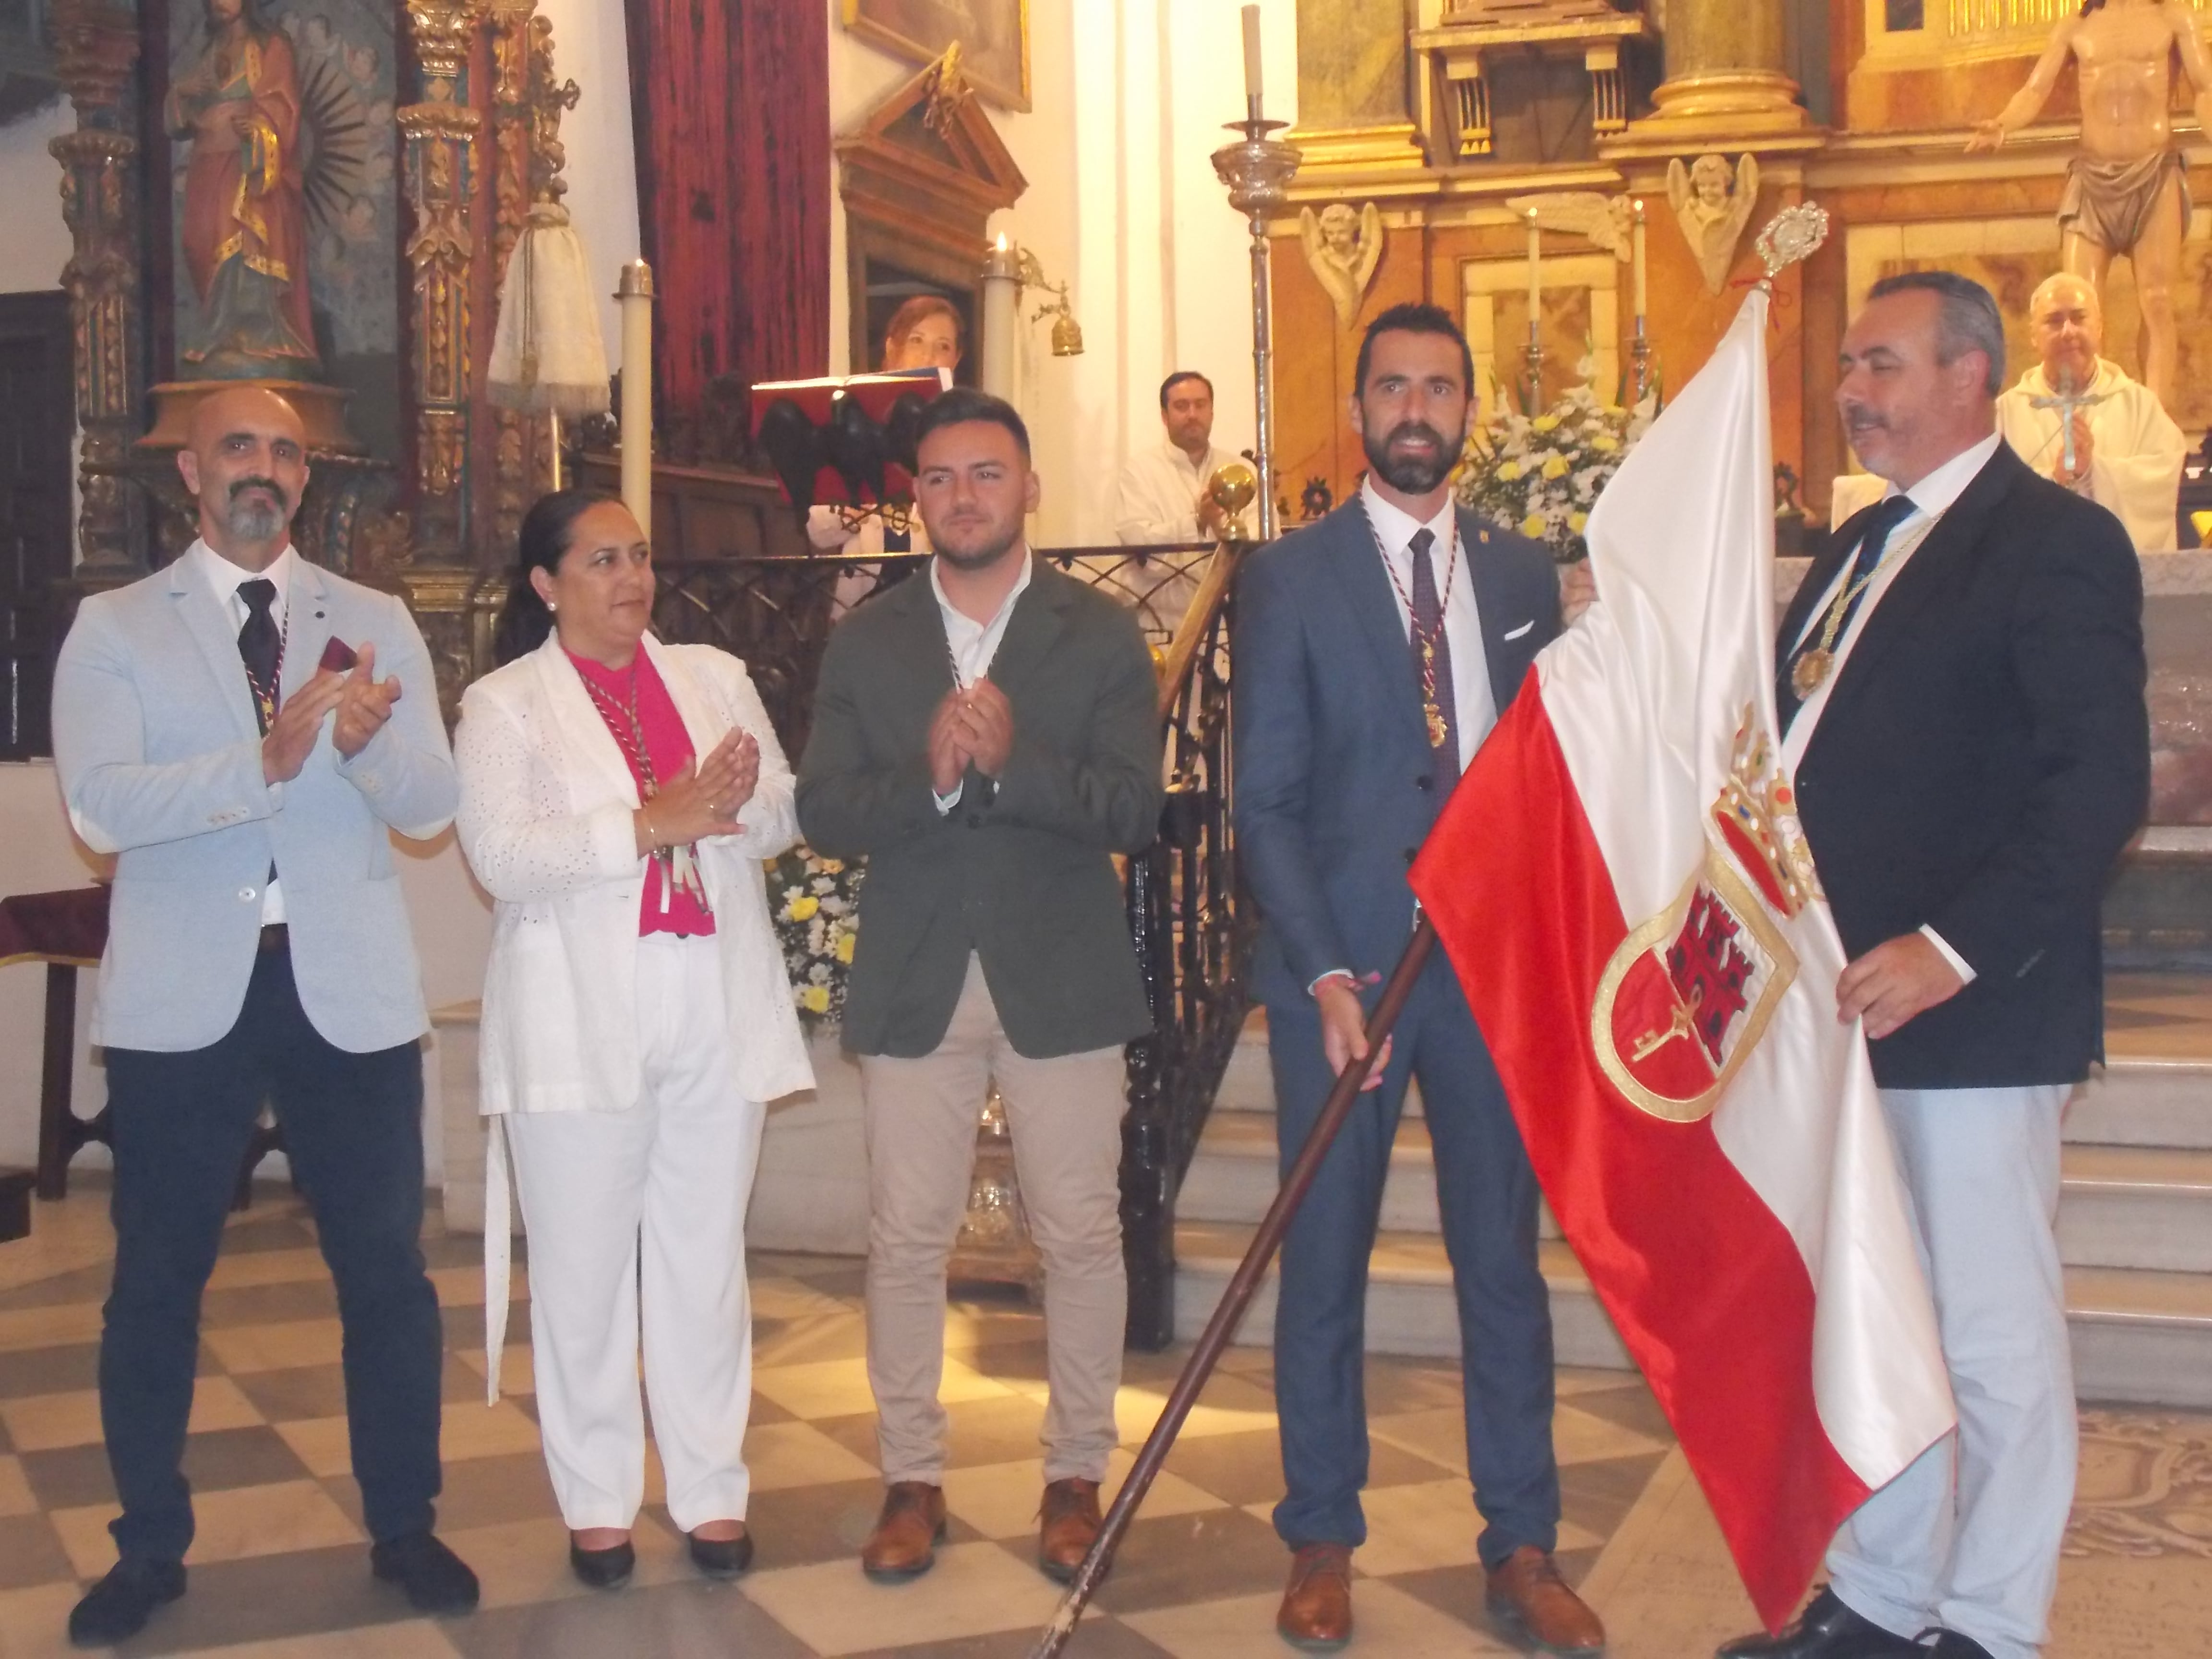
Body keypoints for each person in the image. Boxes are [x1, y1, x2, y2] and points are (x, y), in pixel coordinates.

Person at [1719, 272, 2148, 1659]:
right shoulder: (1855, 547)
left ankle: (1990, 1620)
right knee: (1875, 1324)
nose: (1854, 390)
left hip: (1973, 1012)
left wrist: (1952, 949)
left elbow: (2097, 784)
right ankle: (1885, 1592)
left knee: (1989, 1336)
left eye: (1881, 365)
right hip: (1836, 1012)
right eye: (1850, 367)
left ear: (1972, 374)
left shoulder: (2055, 542)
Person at [49, 385, 475, 1645]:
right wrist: (267, 760)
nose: (266, 469)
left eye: (287, 452)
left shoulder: (375, 618)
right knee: (156, 1283)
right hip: (189, 1000)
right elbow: (102, 813)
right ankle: (147, 1549)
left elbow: (430, 805)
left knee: (388, 1277)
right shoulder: (116, 626)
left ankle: (406, 1524)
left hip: (344, 991)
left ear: (305, 480)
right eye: (241, 445)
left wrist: (359, 739)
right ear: (192, 469)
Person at [1232, 303, 1605, 1656]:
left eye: (1439, 388)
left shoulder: (1517, 575)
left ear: (1466, 413)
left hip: (1487, 974)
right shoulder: (1292, 575)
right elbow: (1262, 799)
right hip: (1339, 972)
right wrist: (1326, 967)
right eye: (1391, 384)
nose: (1415, 407)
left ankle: (1521, 1542)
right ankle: (1321, 1535)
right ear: (1358, 407)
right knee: (1322, 1261)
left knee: (1499, 1263)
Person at [796, 388, 1164, 1587]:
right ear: (917, 497)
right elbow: (825, 811)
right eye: (942, 477)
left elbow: (1132, 808)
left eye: (987, 474)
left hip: (1058, 970)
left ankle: (1074, 1473)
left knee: (1079, 1231)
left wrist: (1017, 764)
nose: (964, 495)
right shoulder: (872, 638)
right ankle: (911, 1477)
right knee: (903, 1237)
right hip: (916, 972)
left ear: (1028, 488)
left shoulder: (1098, 632)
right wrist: (931, 773)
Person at [454, 488, 812, 1590]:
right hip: (576, 1007)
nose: (632, 577)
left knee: (704, 1259)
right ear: (547, 583)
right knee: (584, 1265)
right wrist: (645, 822)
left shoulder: (713, 676)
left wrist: (736, 807)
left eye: (642, 555)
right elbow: (502, 857)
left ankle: (711, 1488)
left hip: (711, 990)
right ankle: (598, 1498)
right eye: (602, 559)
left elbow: (782, 814)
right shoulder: (504, 702)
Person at [1968, 0, 2212, 408]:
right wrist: (2003, 124)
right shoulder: (2074, 26)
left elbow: (2206, 89)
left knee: (2156, 300)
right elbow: (2035, 89)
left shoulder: (2173, 17)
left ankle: (2151, 414)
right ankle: (2084, 417)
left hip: (2153, 172)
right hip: (2092, 177)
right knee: (2077, 304)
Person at [168, 0, 318, 375]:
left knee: (243, 245)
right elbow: (177, 124)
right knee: (199, 242)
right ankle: (216, 335)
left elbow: (283, 106)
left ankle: (256, 336)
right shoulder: (209, 51)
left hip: (249, 170)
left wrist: (262, 131)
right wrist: (180, 92)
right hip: (207, 168)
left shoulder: (271, 47)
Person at [1995, 270, 2185, 555]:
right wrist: (2052, 480)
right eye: (2054, 321)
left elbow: (2159, 485)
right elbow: (1987, 497)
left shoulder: (2139, 405)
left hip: (2112, 575)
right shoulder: (2004, 414)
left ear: (2099, 328)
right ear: (2033, 336)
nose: (2068, 331)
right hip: (2034, 582)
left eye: (2079, 318)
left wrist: (2095, 473)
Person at [808, 293, 963, 563]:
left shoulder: (966, 432)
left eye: (943, 347)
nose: (929, 356)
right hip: (864, 590)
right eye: (917, 341)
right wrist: (852, 508)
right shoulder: (853, 421)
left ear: (956, 360)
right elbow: (817, 530)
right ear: (893, 349)